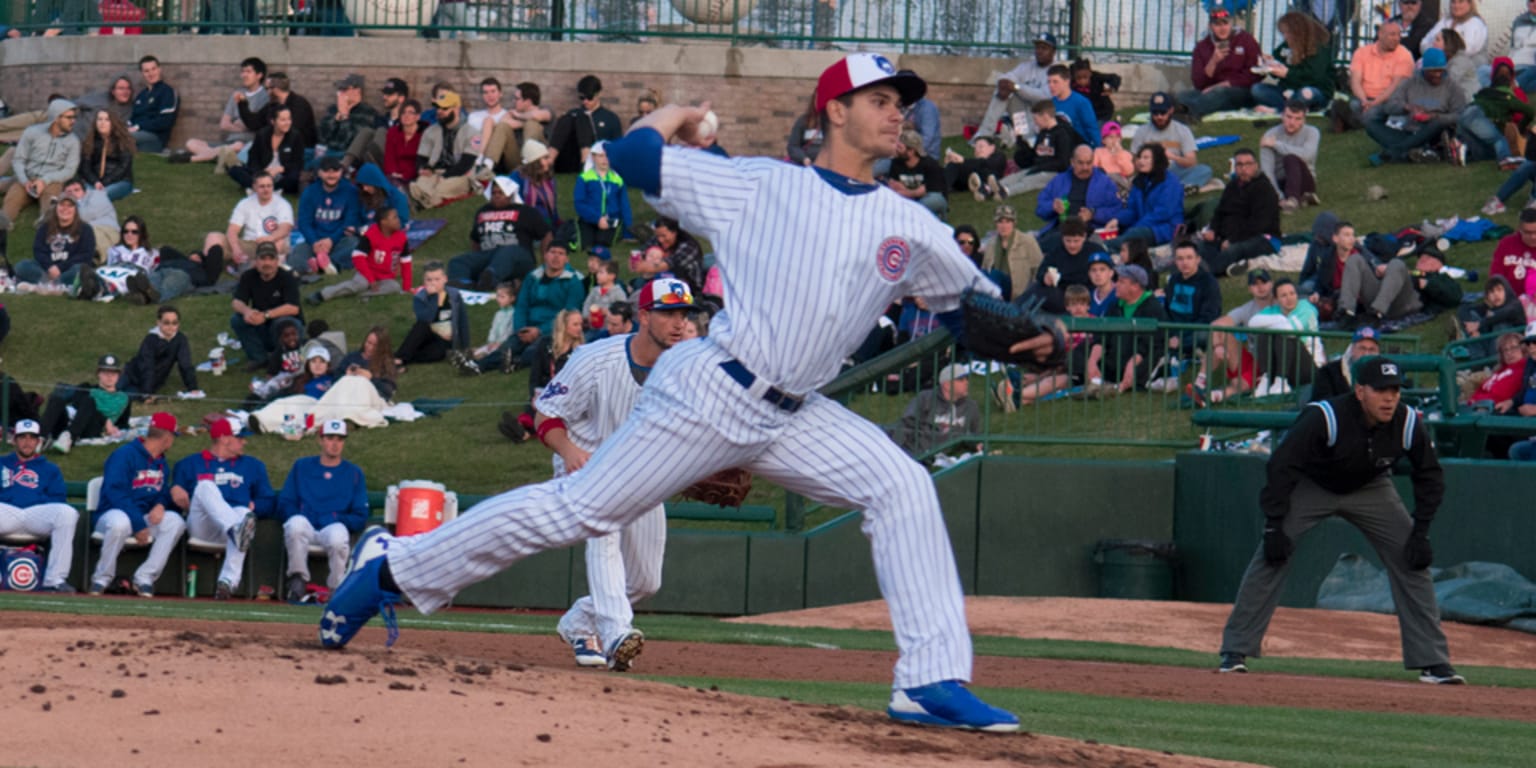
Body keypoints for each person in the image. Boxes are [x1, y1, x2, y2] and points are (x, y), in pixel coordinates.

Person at [319, 54, 1020, 733]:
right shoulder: (760, 185)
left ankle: (930, 681)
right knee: (579, 510)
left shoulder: (912, 224)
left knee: (902, 486)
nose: (899, 114)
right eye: (880, 100)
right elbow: (631, 158)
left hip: (795, 411)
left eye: (901, 103)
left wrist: (1038, 338)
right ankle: (394, 569)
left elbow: (976, 317)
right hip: (713, 391)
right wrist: (679, 114)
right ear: (835, 110)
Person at [1217, 356, 1465, 686]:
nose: (1390, 398)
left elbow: (1430, 476)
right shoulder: (1325, 416)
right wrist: (1275, 524)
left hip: (1371, 487)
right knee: (1272, 555)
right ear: (1360, 390)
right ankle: (1235, 651)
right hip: (1312, 485)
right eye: (1381, 390)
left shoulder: (1406, 421)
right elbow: (1281, 466)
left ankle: (1433, 662)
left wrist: (1421, 532)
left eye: (1395, 390)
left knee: (1412, 560)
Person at [540, 276, 698, 669]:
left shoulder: (687, 373)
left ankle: (579, 621)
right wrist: (570, 451)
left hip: (638, 471)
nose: (678, 323)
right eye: (668, 314)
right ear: (644, 316)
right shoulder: (595, 359)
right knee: (604, 522)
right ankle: (616, 633)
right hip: (584, 460)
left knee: (645, 581)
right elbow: (545, 414)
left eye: (683, 314)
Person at [170, 417, 273, 600]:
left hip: (235, 529)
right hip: (203, 526)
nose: (244, 442)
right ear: (225, 438)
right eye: (239, 438)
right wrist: (175, 489)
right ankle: (236, 530)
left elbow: (270, 501)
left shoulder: (253, 466)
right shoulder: (188, 464)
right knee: (205, 487)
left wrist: (255, 506)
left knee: (244, 513)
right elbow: (172, 500)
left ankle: (227, 582)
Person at [89, 411, 184, 597]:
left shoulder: (162, 463)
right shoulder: (124, 455)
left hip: (142, 517)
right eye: (173, 436)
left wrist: (161, 505)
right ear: (166, 437)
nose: (173, 441)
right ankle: (101, 579)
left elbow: (162, 492)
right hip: (111, 514)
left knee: (175, 522)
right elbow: (115, 493)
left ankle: (144, 578)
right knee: (120, 522)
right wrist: (138, 524)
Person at [280, 419, 369, 602]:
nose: (335, 444)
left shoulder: (353, 473)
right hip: (307, 525)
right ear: (320, 440)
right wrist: (302, 514)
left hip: (333, 526)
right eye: (330, 438)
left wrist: (337, 517)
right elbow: (285, 502)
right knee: (295, 525)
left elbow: (360, 515)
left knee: (338, 537)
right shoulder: (302, 466)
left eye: (339, 439)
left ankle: (336, 588)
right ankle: (298, 580)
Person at [0, 418, 78, 592]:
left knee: (67, 513)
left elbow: (58, 499)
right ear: (14, 440)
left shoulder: (50, 469)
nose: (27, 442)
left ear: (38, 441)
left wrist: (38, 503)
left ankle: (55, 580)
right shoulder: (1, 463)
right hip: (7, 513)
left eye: (31, 437)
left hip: (36, 515)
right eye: (22, 437)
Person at [446, 176, 550, 291]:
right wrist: (477, 260)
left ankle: (489, 279)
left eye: (501, 192)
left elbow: (546, 234)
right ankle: (463, 284)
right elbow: (475, 239)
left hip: (519, 257)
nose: (497, 195)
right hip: (490, 255)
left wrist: (545, 262)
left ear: (510, 194)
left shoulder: (525, 211)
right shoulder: (482, 211)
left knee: (508, 251)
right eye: (494, 192)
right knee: (457, 261)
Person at [1366, 48, 1466, 165]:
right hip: (1410, 132)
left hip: (1435, 134)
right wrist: (1407, 107)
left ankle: (1394, 153)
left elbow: (1460, 115)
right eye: (1433, 72)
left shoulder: (1452, 87)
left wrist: (1434, 116)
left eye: (1441, 71)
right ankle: (1416, 152)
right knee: (1371, 123)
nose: (1438, 75)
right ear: (1424, 70)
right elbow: (1389, 105)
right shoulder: (1411, 82)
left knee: (1438, 123)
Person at [1197, 149, 1281, 278]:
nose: (1244, 168)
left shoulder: (1264, 189)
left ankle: (1205, 275)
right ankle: (1217, 267)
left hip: (1262, 238)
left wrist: (1232, 240)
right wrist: (1213, 230)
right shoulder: (1232, 186)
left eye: (1248, 164)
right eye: (1240, 165)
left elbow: (1259, 224)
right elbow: (1220, 212)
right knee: (1202, 245)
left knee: (1234, 250)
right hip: (1230, 236)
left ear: (1256, 166)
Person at [1088, 264, 1168, 394]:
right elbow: (1102, 336)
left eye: (1121, 282)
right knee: (1083, 350)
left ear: (1135, 286)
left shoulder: (1152, 307)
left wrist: (1132, 365)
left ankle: (1122, 384)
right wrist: (1092, 361)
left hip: (1138, 357)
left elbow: (1151, 343)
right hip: (1114, 356)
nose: (1116, 285)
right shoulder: (1114, 305)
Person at [1, 99, 78, 232]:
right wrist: (25, 181)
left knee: (51, 198)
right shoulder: (32, 133)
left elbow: (70, 170)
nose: (73, 121)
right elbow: (18, 159)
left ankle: (46, 222)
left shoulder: (73, 142)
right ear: (56, 117)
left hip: (52, 180)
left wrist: (45, 180)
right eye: (69, 117)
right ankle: (4, 222)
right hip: (27, 177)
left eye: (74, 117)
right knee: (13, 197)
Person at [310, 205, 411, 304]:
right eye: (394, 217)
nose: (398, 220)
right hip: (367, 273)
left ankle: (365, 294)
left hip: (385, 277)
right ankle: (323, 294)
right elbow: (357, 257)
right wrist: (371, 279)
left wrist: (406, 288)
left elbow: (406, 263)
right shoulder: (371, 235)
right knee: (359, 285)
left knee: (395, 286)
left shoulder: (402, 238)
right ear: (383, 222)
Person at [177, 57, 267, 166]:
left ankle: (194, 158)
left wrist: (240, 124)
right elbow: (224, 124)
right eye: (242, 72)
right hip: (229, 142)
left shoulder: (265, 96)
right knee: (191, 143)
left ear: (259, 75)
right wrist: (241, 126)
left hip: (247, 144)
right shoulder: (237, 93)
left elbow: (257, 125)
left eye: (248, 72)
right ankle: (215, 156)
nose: (244, 75)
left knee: (238, 146)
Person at [974, 32, 1057, 146]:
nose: (1039, 51)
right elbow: (1009, 76)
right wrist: (1003, 82)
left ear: (1053, 51)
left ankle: (1023, 137)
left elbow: (1044, 96)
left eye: (1044, 48)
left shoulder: (1056, 71)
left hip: (1042, 120)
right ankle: (984, 135)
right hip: (1024, 116)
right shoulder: (1027, 66)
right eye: (1037, 47)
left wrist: (1017, 87)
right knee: (1004, 90)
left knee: (1012, 90)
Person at [1177, 7, 1262, 118]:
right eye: (1217, 24)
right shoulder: (1202, 46)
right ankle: (1182, 107)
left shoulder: (1245, 40)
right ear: (1210, 26)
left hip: (1239, 90)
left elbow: (1255, 73)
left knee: (1219, 93)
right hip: (1210, 92)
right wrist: (1213, 61)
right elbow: (1198, 83)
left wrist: (1224, 84)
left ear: (1231, 24)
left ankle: (1188, 112)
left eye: (1225, 23)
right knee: (1182, 96)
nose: (1222, 28)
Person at [1247, 278, 1324, 397]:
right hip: (1286, 366)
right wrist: (1280, 319)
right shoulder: (1273, 310)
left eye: (1292, 293)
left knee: (1285, 335)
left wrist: (1275, 322)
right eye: (1283, 295)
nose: (1289, 298)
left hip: (1310, 367)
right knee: (1264, 334)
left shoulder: (1306, 308)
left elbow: (1291, 331)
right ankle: (1267, 379)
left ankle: (1281, 381)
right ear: (1276, 299)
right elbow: (1252, 323)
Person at [230, 241, 303, 366]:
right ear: (256, 261)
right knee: (237, 319)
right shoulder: (248, 276)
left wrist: (265, 315)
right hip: (261, 323)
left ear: (277, 261)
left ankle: (285, 357)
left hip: (285, 323)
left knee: (284, 322)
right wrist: (247, 312)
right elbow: (237, 301)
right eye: (263, 259)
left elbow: (293, 308)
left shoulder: (287, 277)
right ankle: (259, 358)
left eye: (271, 259)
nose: (267, 263)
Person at [409, 90, 483, 211]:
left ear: (457, 109)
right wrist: (423, 169)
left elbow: (466, 164)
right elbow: (421, 157)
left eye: (444, 108)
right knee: (420, 183)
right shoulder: (430, 131)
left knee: (441, 188)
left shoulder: (472, 132)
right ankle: (426, 198)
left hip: (460, 174)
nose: (439, 111)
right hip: (434, 172)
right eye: (438, 108)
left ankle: (422, 200)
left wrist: (444, 176)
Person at [204, 172, 294, 271]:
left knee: (279, 241)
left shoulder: (282, 204)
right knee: (213, 237)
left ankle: (260, 266)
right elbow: (232, 230)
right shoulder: (245, 203)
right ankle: (209, 269)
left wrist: (270, 238)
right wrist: (235, 248)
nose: (266, 189)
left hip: (273, 244)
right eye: (262, 186)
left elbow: (285, 228)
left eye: (269, 186)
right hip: (250, 244)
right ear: (254, 187)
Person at [1337, 22, 1417, 132]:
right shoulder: (1362, 52)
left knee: (1373, 112)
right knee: (1355, 105)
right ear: (1380, 34)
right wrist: (1364, 101)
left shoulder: (1404, 55)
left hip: (1388, 100)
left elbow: (1395, 87)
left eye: (1399, 35)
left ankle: (1350, 120)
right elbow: (1355, 81)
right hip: (1363, 98)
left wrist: (1374, 103)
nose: (1397, 39)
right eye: (1392, 35)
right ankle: (1355, 119)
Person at [993, 99, 1080, 199]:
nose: (1035, 122)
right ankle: (992, 187)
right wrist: (1021, 143)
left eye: (1036, 119)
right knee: (1019, 175)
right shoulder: (1042, 134)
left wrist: (1043, 166)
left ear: (1046, 116)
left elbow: (1063, 162)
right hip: (1039, 168)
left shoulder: (1062, 134)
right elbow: (1035, 154)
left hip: (1055, 173)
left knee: (1030, 180)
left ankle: (1006, 192)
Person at [1130, 92, 1217, 192]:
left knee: (1205, 170)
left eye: (1163, 112)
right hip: (1151, 170)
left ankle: (1176, 187)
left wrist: (1172, 157)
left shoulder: (1182, 130)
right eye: (1155, 113)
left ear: (1171, 111)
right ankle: (1178, 187)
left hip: (1174, 169)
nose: (1159, 117)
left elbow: (1192, 161)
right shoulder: (1142, 131)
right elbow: (1133, 161)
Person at [1104, 144, 1186, 249]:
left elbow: (1163, 213)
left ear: (1157, 160)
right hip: (1142, 226)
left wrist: (1137, 226)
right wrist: (1117, 220)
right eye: (1139, 157)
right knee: (1121, 230)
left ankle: (1104, 247)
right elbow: (1132, 210)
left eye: (1146, 158)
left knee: (1134, 235)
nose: (1141, 161)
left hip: (1165, 229)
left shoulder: (1170, 182)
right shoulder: (1139, 182)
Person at [891, 362, 982, 457]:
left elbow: (974, 434)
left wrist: (977, 444)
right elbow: (907, 423)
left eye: (967, 378)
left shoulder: (971, 406)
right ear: (947, 385)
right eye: (961, 380)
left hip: (936, 453)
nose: (967, 382)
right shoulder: (925, 398)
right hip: (913, 449)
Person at [290, 156, 362, 275]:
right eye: (327, 171)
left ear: (341, 172)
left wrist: (331, 240)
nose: (331, 175)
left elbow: (350, 221)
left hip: (339, 240)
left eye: (335, 171)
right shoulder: (310, 192)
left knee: (354, 244)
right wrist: (314, 242)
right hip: (315, 242)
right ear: (319, 173)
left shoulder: (350, 191)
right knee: (299, 250)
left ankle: (327, 264)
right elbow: (304, 222)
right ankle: (307, 267)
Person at [1251, 11, 1335, 112]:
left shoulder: (1319, 48)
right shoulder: (1286, 45)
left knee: (1306, 93)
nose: (1285, 36)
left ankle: (1280, 110)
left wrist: (1288, 74)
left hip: (1315, 89)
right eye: (1283, 33)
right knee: (1257, 89)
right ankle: (1296, 108)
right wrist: (1270, 64)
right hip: (1287, 90)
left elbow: (1314, 77)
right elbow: (1278, 66)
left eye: (1288, 32)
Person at [1035, 145, 1122, 241]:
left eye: (1088, 163)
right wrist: (1053, 206)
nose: (1085, 167)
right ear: (1072, 162)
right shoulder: (1059, 180)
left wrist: (1093, 214)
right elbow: (1040, 208)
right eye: (1080, 163)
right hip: (1062, 229)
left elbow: (1117, 210)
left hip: (1091, 231)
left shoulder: (1105, 182)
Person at [395, 261, 470, 369]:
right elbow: (425, 318)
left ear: (445, 279)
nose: (433, 283)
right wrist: (434, 298)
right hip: (428, 332)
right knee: (421, 326)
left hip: (445, 338)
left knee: (437, 354)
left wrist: (465, 346)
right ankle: (400, 357)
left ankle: (406, 359)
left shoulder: (454, 295)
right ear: (424, 281)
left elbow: (462, 320)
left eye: (437, 279)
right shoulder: (420, 297)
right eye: (429, 280)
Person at [548, 75, 624, 174]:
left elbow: (616, 148)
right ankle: (548, 162)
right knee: (569, 117)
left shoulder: (610, 118)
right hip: (570, 159)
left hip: (596, 158)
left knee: (583, 117)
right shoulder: (573, 114)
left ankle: (585, 163)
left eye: (589, 97)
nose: (585, 101)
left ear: (598, 94)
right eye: (582, 97)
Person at [121, 305, 201, 400]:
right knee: (110, 388)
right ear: (159, 323)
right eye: (166, 323)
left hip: (153, 381)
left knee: (122, 395)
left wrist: (193, 387)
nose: (171, 326)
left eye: (174, 323)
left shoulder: (180, 340)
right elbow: (147, 366)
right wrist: (147, 393)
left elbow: (185, 364)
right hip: (132, 373)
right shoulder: (150, 339)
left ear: (178, 324)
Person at [18, 194, 93, 288]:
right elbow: (39, 251)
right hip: (47, 270)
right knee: (22, 266)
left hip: (69, 270)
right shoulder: (44, 228)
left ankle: (52, 284)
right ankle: (49, 283)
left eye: (70, 205)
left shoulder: (85, 229)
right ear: (56, 207)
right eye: (62, 205)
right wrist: (50, 267)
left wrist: (60, 268)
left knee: (81, 270)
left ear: (75, 210)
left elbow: (85, 255)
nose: (65, 209)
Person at [234, 72, 318, 154]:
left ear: (275, 89)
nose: (266, 92)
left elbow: (292, 131)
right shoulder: (273, 105)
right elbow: (254, 123)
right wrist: (242, 104)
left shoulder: (299, 104)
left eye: (267, 88)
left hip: (298, 150)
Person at [229, 104, 304, 196]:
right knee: (235, 170)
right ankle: (265, 187)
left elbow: (298, 163)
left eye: (289, 119)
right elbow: (253, 158)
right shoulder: (262, 134)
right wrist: (262, 172)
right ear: (273, 121)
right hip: (263, 172)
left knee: (294, 179)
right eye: (283, 120)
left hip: (282, 174)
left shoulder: (295, 136)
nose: (287, 123)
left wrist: (280, 169)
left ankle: (260, 188)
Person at [1261, 101, 1321, 211]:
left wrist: (1276, 145)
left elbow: (1306, 156)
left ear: (1304, 120)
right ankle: (1301, 198)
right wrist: (1279, 197)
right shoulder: (1270, 135)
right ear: (1282, 116)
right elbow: (1267, 170)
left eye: (1297, 119)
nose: (1292, 122)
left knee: (1291, 159)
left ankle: (1293, 199)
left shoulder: (1312, 132)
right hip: (1280, 182)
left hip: (1305, 180)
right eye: (1289, 117)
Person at [574, 141, 635, 248]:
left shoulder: (618, 180)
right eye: (601, 156)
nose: (605, 159)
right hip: (589, 219)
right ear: (593, 157)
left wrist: (628, 231)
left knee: (603, 243)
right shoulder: (584, 178)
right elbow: (579, 203)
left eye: (607, 156)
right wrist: (597, 218)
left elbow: (624, 206)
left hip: (611, 220)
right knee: (586, 244)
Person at [978, 204, 1042, 301]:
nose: (1004, 226)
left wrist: (1032, 295)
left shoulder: (1027, 241)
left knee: (995, 274)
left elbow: (1039, 268)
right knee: (983, 274)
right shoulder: (991, 244)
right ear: (996, 224)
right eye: (1000, 222)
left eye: (1008, 222)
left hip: (1017, 291)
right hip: (996, 287)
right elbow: (985, 268)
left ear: (1014, 223)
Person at [316, 73, 380, 168]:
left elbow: (350, 142)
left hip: (345, 157)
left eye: (344, 89)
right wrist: (335, 120)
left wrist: (345, 117)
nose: (340, 93)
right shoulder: (333, 109)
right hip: (327, 151)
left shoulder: (367, 113)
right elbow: (322, 136)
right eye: (339, 90)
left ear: (357, 91)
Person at [1456, 275, 1525, 357]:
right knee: (1472, 316)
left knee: (1501, 324)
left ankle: (1495, 361)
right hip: (1489, 346)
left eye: (1499, 290)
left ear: (1506, 291)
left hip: (1515, 348)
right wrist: (1473, 330)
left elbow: (1506, 313)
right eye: (1491, 292)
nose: (1496, 294)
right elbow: (1463, 309)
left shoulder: (1515, 304)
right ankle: (1479, 361)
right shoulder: (1488, 307)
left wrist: (1479, 324)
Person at [1309, 326, 1383, 401]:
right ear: (1352, 349)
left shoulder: (1385, 375)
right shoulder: (1328, 372)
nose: (1366, 354)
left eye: (1372, 350)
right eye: (1362, 348)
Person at [884, 129, 947, 217]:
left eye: (900, 148)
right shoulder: (896, 163)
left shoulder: (930, 164)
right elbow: (894, 187)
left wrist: (907, 192)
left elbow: (932, 192)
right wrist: (915, 192)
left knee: (934, 200)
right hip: (911, 201)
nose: (896, 150)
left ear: (911, 151)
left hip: (929, 200)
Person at [80, 108, 134, 201]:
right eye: (99, 119)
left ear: (113, 122)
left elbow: (123, 167)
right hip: (93, 182)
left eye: (107, 119)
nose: (102, 123)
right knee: (83, 194)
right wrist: (95, 182)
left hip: (119, 181)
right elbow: (85, 167)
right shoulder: (90, 142)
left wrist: (105, 182)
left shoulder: (123, 142)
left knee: (99, 196)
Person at [127, 55, 177, 152]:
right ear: (142, 73)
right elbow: (133, 117)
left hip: (155, 138)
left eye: (153, 69)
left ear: (159, 70)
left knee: (124, 138)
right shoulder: (141, 95)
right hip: (136, 134)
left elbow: (165, 122)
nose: (151, 73)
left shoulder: (167, 92)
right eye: (146, 71)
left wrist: (138, 127)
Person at [337, 326, 400, 401]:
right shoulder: (352, 357)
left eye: (375, 345)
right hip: (347, 397)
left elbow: (389, 391)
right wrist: (346, 376)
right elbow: (335, 380)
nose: (370, 348)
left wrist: (371, 378)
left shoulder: (386, 363)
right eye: (369, 343)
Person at [1424, 0, 1489, 67]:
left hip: (1471, 70)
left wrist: (1438, 50)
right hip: (1442, 66)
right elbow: (1424, 43)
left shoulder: (1476, 23)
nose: (1456, 6)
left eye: (1461, 2)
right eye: (1453, 2)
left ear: (1469, 3)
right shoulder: (1446, 20)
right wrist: (1434, 52)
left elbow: (1466, 50)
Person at [383, 99, 424, 187]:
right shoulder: (393, 132)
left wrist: (404, 175)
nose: (406, 115)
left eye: (410, 113)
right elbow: (389, 157)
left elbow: (419, 162)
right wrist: (393, 174)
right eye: (403, 112)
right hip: (393, 176)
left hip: (413, 176)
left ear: (417, 117)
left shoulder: (424, 135)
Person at [1070, 58, 1121, 123]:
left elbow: (1114, 78)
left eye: (1085, 77)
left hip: (1101, 112)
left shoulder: (1096, 77)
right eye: (1079, 78)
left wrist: (1111, 88)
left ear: (1090, 74)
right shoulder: (1071, 83)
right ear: (1074, 76)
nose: (1082, 81)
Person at [1093, 122, 1135, 192]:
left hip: (1121, 181)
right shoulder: (1098, 152)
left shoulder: (1125, 153)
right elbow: (1094, 168)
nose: (1114, 140)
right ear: (1103, 140)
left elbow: (1129, 171)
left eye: (1117, 137)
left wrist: (1120, 154)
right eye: (1111, 137)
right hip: (1105, 181)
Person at [786, 96, 824, 166]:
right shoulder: (804, 120)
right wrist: (803, 159)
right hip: (806, 166)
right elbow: (793, 146)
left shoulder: (834, 124)